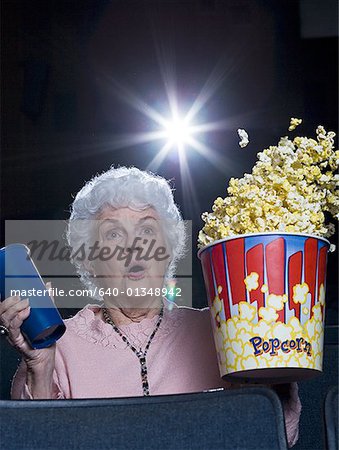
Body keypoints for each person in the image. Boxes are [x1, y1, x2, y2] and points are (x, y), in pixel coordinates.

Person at [1, 166, 301, 447]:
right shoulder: (61, 346)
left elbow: (277, 436)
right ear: (90, 261)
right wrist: (39, 368)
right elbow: (35, 442)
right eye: (114, 234)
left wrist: (274, 350)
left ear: (168, 250)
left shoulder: (224, 329)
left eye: (146, 230)